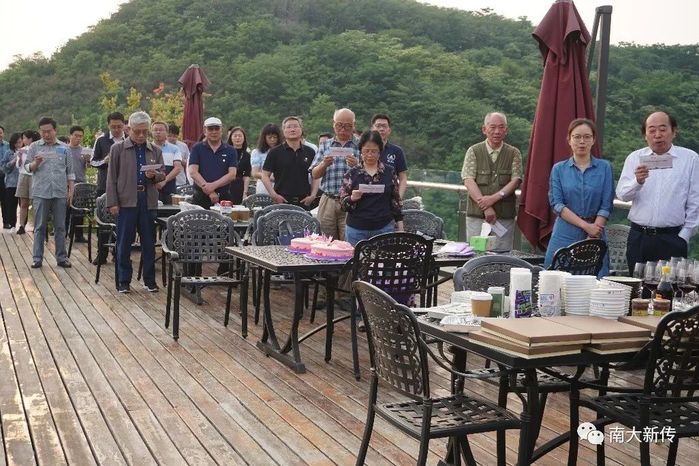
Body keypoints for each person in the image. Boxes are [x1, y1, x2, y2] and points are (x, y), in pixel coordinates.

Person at [616, 111, 699, 274]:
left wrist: (684, 236)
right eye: (652, 130)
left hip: (672, 238)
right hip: (639, 237)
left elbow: (695, 201)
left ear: (673, 131)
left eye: (663, 129)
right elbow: (622, 195)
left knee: (669, 287)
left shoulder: (691, 159)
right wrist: (637, 182)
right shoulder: (634, 158)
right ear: (645, 135)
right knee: (638, 285)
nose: (658, 135)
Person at [543, 119, 613, 277]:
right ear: (569, 140)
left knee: (594, 279)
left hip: (596, 230)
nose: (582, 141)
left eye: (587, 137)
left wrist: (593, 232)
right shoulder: (559, 169)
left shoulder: (605, 167)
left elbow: (606, 205)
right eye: (577, 137)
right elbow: (557, 204)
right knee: (555, 278)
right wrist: (586, 226)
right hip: (565, 232)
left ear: (593, 140)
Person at [106, 111, 165, 293]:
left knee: (149, 243)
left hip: (148, 200)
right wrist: (112, 202)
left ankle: (149, 280)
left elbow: (162, 175)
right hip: (126, 201)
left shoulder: (155, 150)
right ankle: (124, 281)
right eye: (137, 131)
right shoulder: (118, 149)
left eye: (144, 132)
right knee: (124, 243)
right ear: (129, 129)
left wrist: (155, 175)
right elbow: (111, 178)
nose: (141, 135)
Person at [461, 112, 523, 252]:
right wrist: (486, 206)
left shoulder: (514, 153)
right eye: (493, 127)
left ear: (506, 130)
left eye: (501, 127)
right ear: (484, 129)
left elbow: (516, 180)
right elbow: (468, 180)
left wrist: (493, 198)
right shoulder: (474, 151)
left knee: (501, 256)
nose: (497, 131)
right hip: (477, 216)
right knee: (476, 255)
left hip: (504, 217)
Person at [24, 117, 75, 269]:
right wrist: (36, 163)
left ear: (55, 130)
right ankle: (37, 258)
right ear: (40, 132)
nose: (46, 134)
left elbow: (70, 172)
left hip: (60, 192)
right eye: (43, 132)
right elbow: (27, 168)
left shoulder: (65, 148)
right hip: (41, 192)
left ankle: (61, 258)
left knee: (60, 227)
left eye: (49, 131)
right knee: (39, 226)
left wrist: (71, 191)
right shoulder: (34, 147)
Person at [340, 130, 403, 245]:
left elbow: (395, 200)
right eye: (366, 151)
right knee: (355, 257)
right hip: (356, 230)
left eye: (374, 151)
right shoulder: (351, 174)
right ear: (361, 151)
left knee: (384, 257)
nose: (370, 155)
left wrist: (400, 226)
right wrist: (352, 198)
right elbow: (343, 205)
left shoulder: (389, 172)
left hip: (384, 228)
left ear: (380, 152)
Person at [310, 108, 360, 240]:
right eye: (339, 125)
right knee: (325, 240)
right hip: (329, 199)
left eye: (347, 126)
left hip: (352, 201)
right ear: (333, 124)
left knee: (349, 241)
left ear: (354, 125)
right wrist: (323, 164)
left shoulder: (361, 145)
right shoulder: (325, 145)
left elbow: (370, 174)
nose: (343, 129)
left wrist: (357, 166)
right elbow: (314, 174)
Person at [261, 116, 318, 209]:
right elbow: (265, 175)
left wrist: (313, 195)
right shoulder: (275, 152)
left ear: (301, 129)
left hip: (304, 201)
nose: (292, 129)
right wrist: (274, 195)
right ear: (283, 131)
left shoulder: (310, 152)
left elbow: (315, 176)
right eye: (288, 127)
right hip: (282, 200)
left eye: (295, 126)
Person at [188, 117, 238, 209]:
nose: (214, 132)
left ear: (221, 130)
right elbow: (193, 172)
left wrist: (213, 186)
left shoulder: (230, 150)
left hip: (224, 197)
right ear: (205, 130)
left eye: (217, 128)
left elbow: (232, 174)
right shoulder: (197, 148)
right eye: (210, 129)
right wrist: (210, 191)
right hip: (200, 196)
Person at [371, 113, 408, 199]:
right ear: (372, 129)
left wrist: (399, 198)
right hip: (368, 198)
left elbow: (402, 177)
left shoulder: (397, 151)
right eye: (378, 126)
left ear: (389, 130)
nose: (381, 129)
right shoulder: (364, 150)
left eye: (384, 126)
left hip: (390, 199)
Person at [92, 112, 126, 197]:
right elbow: (93, 161)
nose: (116, 130)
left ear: (123, 125)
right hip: (104, 186)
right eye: (113, 127)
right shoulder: (101, 140)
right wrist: (104, 161)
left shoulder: (129, 140)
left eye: (119, 127)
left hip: (126, 185)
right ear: (108, 126)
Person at [65, 126, 90, 242]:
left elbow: (88, 166)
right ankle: (64, 233)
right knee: (66, 210)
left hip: (81, 183)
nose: (78, 138)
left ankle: (78, 235)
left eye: (80, 136)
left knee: (80, 211)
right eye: (76, 135)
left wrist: (87, 160)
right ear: (70, 135)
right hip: (66, 183)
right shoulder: (64, 149)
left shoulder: (84, 151)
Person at [151, 121, 182, 204]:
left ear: (167, 132)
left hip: (169, 187)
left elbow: (178, 168)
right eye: (155, 130)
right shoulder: (147, 148)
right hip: (151, 188)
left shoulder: (174, 148)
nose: (158, 132)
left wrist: (164, 181)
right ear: (151, 132)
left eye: (161, 130)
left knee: (169, 210)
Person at [15, 130, 39, 234]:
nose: (23, 140)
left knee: (35, 203)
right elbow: (18, 165)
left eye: (24, 138)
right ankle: (21, 225)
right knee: (23, 203)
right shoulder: (22, 149)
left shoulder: (37, 148)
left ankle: (36, 226)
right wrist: (20, 157)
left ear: (30, 139)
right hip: (23, 175)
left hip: (34, 176)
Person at [250, 123, 281, 195]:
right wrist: (268, 177)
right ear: (264, 138)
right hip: (264, 186)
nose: (272, 140)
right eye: (270, 137)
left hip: (281, 185)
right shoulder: (257, 152)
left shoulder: (283, 151)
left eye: (275, 137)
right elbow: (254, 173)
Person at [0, 132, 22, 230]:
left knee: (23, 205)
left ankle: (22, 225)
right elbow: (4, 167)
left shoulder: (26, 151)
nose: (18, 145)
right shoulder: (8, 152)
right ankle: (12, 224)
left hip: (23, 182)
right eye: (16, 143)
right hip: (11, 182)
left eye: (20, 142)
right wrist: (13, 161)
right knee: (11, 205)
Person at [226, 127, 252, 203]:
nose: (237, 138)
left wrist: (245, 193)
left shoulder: (247, 155)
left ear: (244, 138)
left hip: (239, 186)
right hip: (225, 185)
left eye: (240, 136)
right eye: (235, 136)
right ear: (231, 138)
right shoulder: (225, 152)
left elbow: (246, 176)